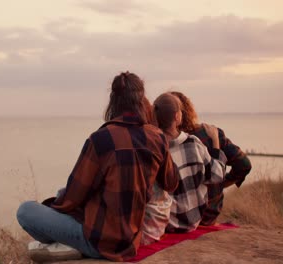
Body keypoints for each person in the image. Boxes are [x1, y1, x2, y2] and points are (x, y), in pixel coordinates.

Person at [16, 72, 179, 262]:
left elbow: (72, 197)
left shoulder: (101, 139)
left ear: (113, 101)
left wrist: (52, 208)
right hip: (131, 241)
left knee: (26, 211)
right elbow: (172, 183)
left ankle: (72, 245)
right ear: (142, 101)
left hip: (99, 242)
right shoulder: (157, 137)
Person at [170, 91, 252, 225]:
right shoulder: (209, 134)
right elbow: (244, 164)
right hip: (209, 215)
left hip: (177, 217)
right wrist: (221, 184)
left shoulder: (161, 140)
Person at [150, 93, 226, 233]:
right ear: (177, 117)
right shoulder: (193, 143)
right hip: (194, 221)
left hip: (167, 223)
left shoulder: (153, 149)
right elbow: (217, 175)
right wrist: (215, 141)